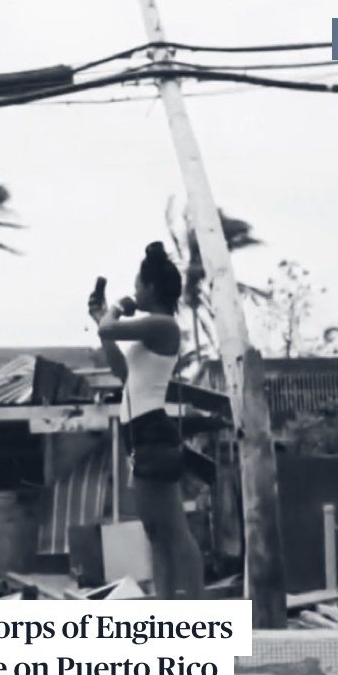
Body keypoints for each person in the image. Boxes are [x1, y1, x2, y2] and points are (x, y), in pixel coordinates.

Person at [88, 241, 204, 600]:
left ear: (151, 288)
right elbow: (124, 372)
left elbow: (111, 329)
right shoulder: (150, 332)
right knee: (155, 531)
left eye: (138, 284)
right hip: (137, 437)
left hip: (153, 432)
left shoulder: (163, 325)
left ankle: (201, 613)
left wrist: (118, 308)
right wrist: (100, 320)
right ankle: (167, 611)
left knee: (174, 531)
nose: (135, 290)